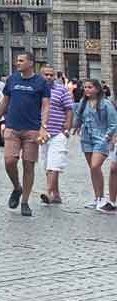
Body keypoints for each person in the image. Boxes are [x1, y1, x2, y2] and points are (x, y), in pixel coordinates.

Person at [0, 50, 51, 218]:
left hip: (32, 129)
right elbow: (5, 100)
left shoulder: (41, 82)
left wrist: (44, 126)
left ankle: (25, 201)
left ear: (30, 63)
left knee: (28, 165)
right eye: (17, 60)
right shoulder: (12, 79)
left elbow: (46, 105)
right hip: (12, 126)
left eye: (21, 60)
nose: (17, 63)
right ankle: (17, 187)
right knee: (9, 161)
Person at [73, 79, 117, 212]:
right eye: (85, 87)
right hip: (86, 139)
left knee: (95, 165)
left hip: (101, 139)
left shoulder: (106, 104)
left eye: (90, 87)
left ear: (97, 89)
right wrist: (75, 127)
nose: (86, 89)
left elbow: (113, 123)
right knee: (93, 169)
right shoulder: (83, 102)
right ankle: (98, 197)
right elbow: (79, 117)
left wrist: (107, 137)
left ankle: (103, 199)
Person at [39, 66, 74, 205]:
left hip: (58, 131)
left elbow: (69, 109)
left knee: (55, 163)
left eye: (51, 75)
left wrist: (67, 126)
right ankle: (56, 194)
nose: (49, 77)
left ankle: (48, 192)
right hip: (42, 132)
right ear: (40, 75)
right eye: (46, 74)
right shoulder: (37, 90)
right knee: (47, 164)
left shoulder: (61, 89)